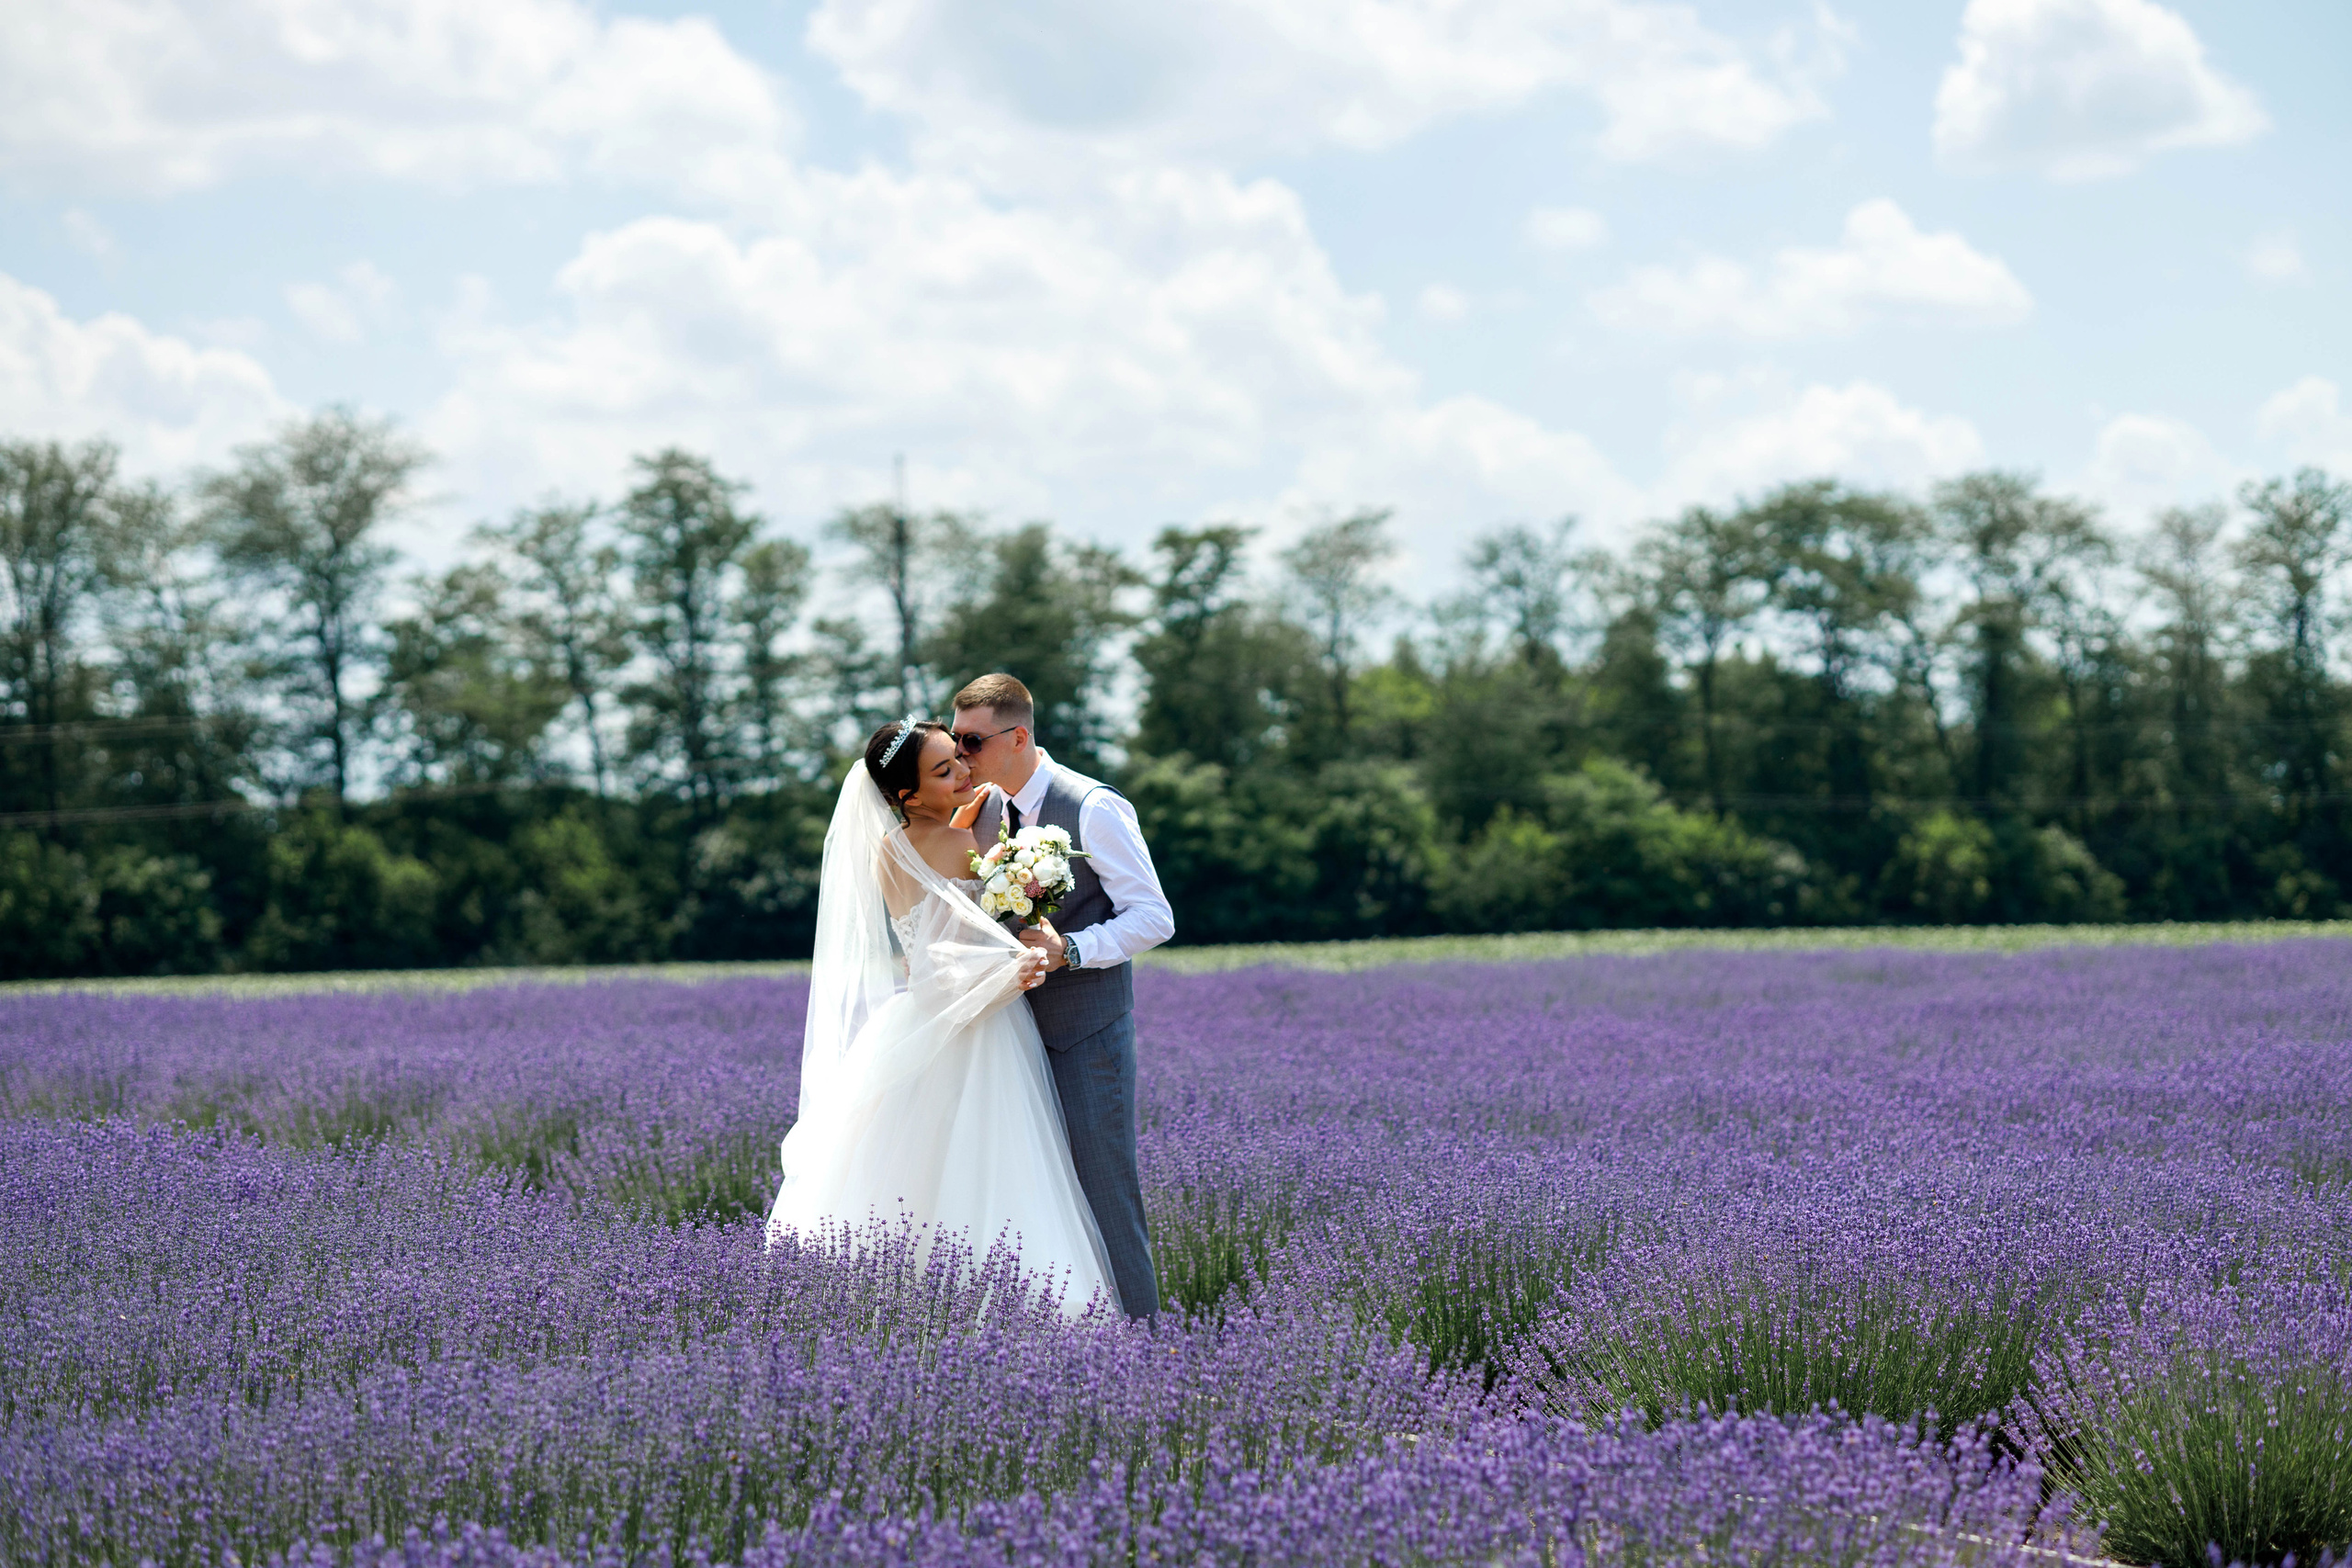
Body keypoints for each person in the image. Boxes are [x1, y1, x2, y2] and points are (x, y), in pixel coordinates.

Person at [763, 715, 1120, 1318]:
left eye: (958, 758)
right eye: (943, 769)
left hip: (916, 1019)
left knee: (913, 1178)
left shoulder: (888, 849)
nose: (962, 771)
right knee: (1000, 1177)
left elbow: (929, 951)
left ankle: (907, 1313)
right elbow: (973, 945)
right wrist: (1027, 928)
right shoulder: (964, 845)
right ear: (907, 794)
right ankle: (1013, 1315)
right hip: (981, 1030)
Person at [950, 673, 1174, 1319]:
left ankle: (1147, 1351)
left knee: (1105, 1193)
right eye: (957, 740)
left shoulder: (1094, 806)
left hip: (1088, 1032)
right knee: (1030, 1198)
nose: (962, 753)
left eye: (972, 740)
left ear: (1018, 736)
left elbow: (1154, 917)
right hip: (1010, 1038)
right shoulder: (984, 808)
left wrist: (1070, 949)